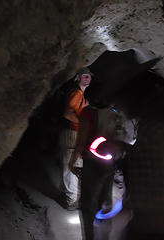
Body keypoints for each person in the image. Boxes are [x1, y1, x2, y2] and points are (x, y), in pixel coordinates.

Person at [69, 103, 129, 240]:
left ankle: (90, 237)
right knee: (104, 201)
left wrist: (72, 162)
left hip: (93, 162)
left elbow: (81, 140)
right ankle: (104, 236)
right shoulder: (116, 113)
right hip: (110, 163)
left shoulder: (88, 112)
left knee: (87, 204)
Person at [59, 67, 92, 210]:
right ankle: (70, 199)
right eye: (84, 76)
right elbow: (67, 113)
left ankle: (70, 196)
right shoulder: (76, 93)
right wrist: (82, 124)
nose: (88, 79)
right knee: (71, 165)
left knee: (73, 164)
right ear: (78, 78)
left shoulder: (81, 95)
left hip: (75, 133)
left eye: (89, 77)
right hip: (72, 133)